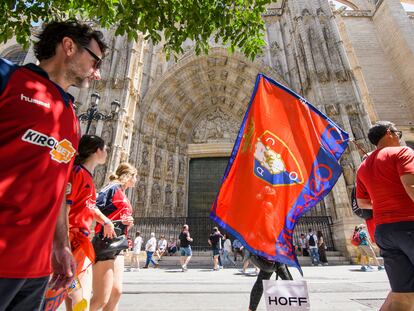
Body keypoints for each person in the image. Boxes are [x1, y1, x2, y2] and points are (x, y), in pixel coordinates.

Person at [0, 20, 107, 310]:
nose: (98, 72)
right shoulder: (8, 78)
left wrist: (59, 245)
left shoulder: (70, 116)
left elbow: (59, 188)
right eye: (95, 60)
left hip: (36, 266)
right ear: (69, 46)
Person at [42, 135, 115, 310]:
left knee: (75, 295)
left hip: (80, 242)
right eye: (105, 149)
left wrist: (105, 221)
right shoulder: (77, 174)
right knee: (80, 298)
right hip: (73, 242)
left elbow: (88, 206)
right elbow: (64, 210)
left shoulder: (87, 176)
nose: (107, 153)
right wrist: (63, 245)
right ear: (97, 151)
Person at [356, 121, 414, 311]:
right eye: (398, 132)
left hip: (385, 232)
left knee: (402, 295)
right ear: (389, 133)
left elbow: (362, 203)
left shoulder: (363, 166)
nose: (400, 137)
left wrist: (383, 200)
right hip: (409, 224)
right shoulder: (403, 152)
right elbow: (411, 186)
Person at [90, 163, 136, 311]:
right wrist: (107, 222)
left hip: (119, 242)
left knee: (116, 292)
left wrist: (128, 223)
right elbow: (91, 205)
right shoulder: (112, 187)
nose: (137, 180)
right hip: (106, 242)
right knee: (101, 298)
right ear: (129, 176)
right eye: (136, 176)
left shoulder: (124, 194)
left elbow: (119, 217)